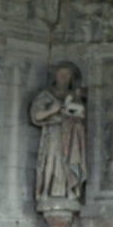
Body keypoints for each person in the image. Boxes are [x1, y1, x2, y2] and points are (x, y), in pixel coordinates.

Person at [30, 63, 87, 204]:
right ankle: (45, 191)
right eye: (61, 74)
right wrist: (52, 110)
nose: (64, 78)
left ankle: (69, 190)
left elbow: (81, 114)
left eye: (67, 75)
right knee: (51, 159)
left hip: (71, 132)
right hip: (53, 131)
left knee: (69, 160)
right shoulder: (46, 95)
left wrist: (74, 115)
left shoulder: (73, 96)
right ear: (55, 76)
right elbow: (37, 115)